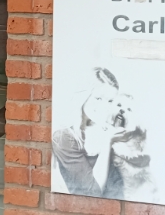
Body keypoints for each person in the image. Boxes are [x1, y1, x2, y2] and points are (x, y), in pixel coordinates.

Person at [52, 68, 127, 198]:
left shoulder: (108, 129)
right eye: (98, 98)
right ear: (83, 97)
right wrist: (107, 142)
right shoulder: (64, 137)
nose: (105, 107)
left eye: (110, 101)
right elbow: (93, 193)